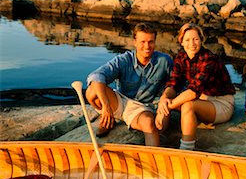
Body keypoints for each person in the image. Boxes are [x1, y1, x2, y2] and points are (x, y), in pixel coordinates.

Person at [86, 22, 173, 146]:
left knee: (149, 123)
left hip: (143, 108)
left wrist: (164, 102)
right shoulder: (124, 59)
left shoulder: (164, 61)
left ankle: (152, 160)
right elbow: (97, 76)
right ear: (135, 42)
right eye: (142, 42)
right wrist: (106, 106)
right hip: (120, 102)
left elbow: (176, 84)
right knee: (91, 91)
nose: (147, 46)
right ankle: (108, 119)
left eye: (151, 42)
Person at [155, 22, 235, 150]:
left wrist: (167, 106)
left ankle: (186, 149)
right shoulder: (181, 57)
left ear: (201, 40)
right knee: (166, 100)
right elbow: (173, 83)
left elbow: (193, 92)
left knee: (187, 105)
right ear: (181, 41)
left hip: (220, 103)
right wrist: (164, 98)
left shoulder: (209, 59)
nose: (191, 44)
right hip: (201, 100)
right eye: (187, 40)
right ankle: (158, 136)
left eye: (195, 39)